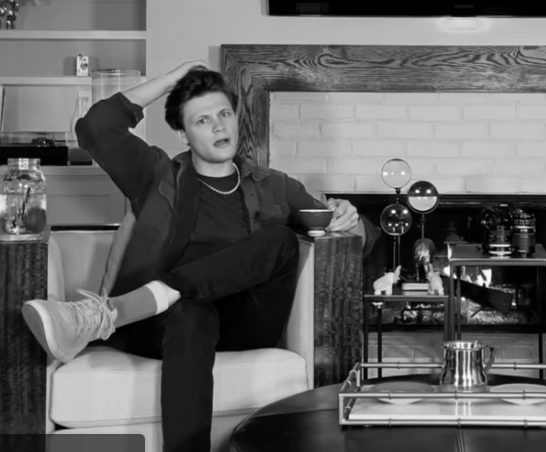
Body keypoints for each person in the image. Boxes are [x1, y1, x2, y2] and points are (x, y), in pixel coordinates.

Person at [21, 61, 378, 452]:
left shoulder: (274, 184)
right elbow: (95, 128)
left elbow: (364, 240)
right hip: (165, 327)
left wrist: (350, 218)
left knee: (280, 240)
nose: (219, 127)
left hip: (245, 321)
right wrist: (172, 80)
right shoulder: (157, 174)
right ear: (183, 132)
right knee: (192, 312)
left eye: (224, 114)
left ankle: (127, 306)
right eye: (202, 120)